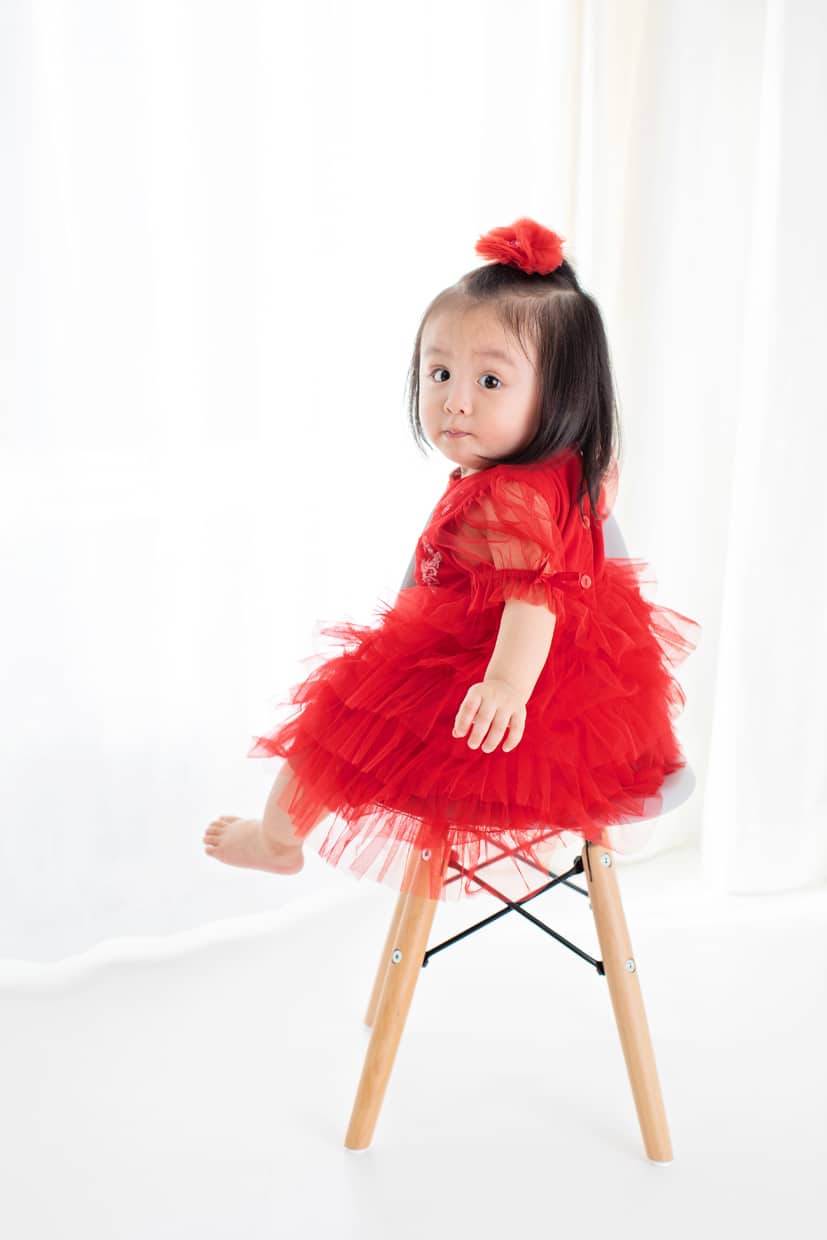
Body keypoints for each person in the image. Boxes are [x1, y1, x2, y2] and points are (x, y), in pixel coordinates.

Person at [203, 217, 700, 901]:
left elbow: (531, 601)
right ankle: (280, 835)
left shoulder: (508, 500)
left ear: (558, 396)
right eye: (438, 373)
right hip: (580, 691)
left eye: (490, 381)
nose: (454, 400)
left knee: (337, 723)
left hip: (499, 683)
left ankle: (277, 838)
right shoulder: (562, 471)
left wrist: (502, 687)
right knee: (354, 703)